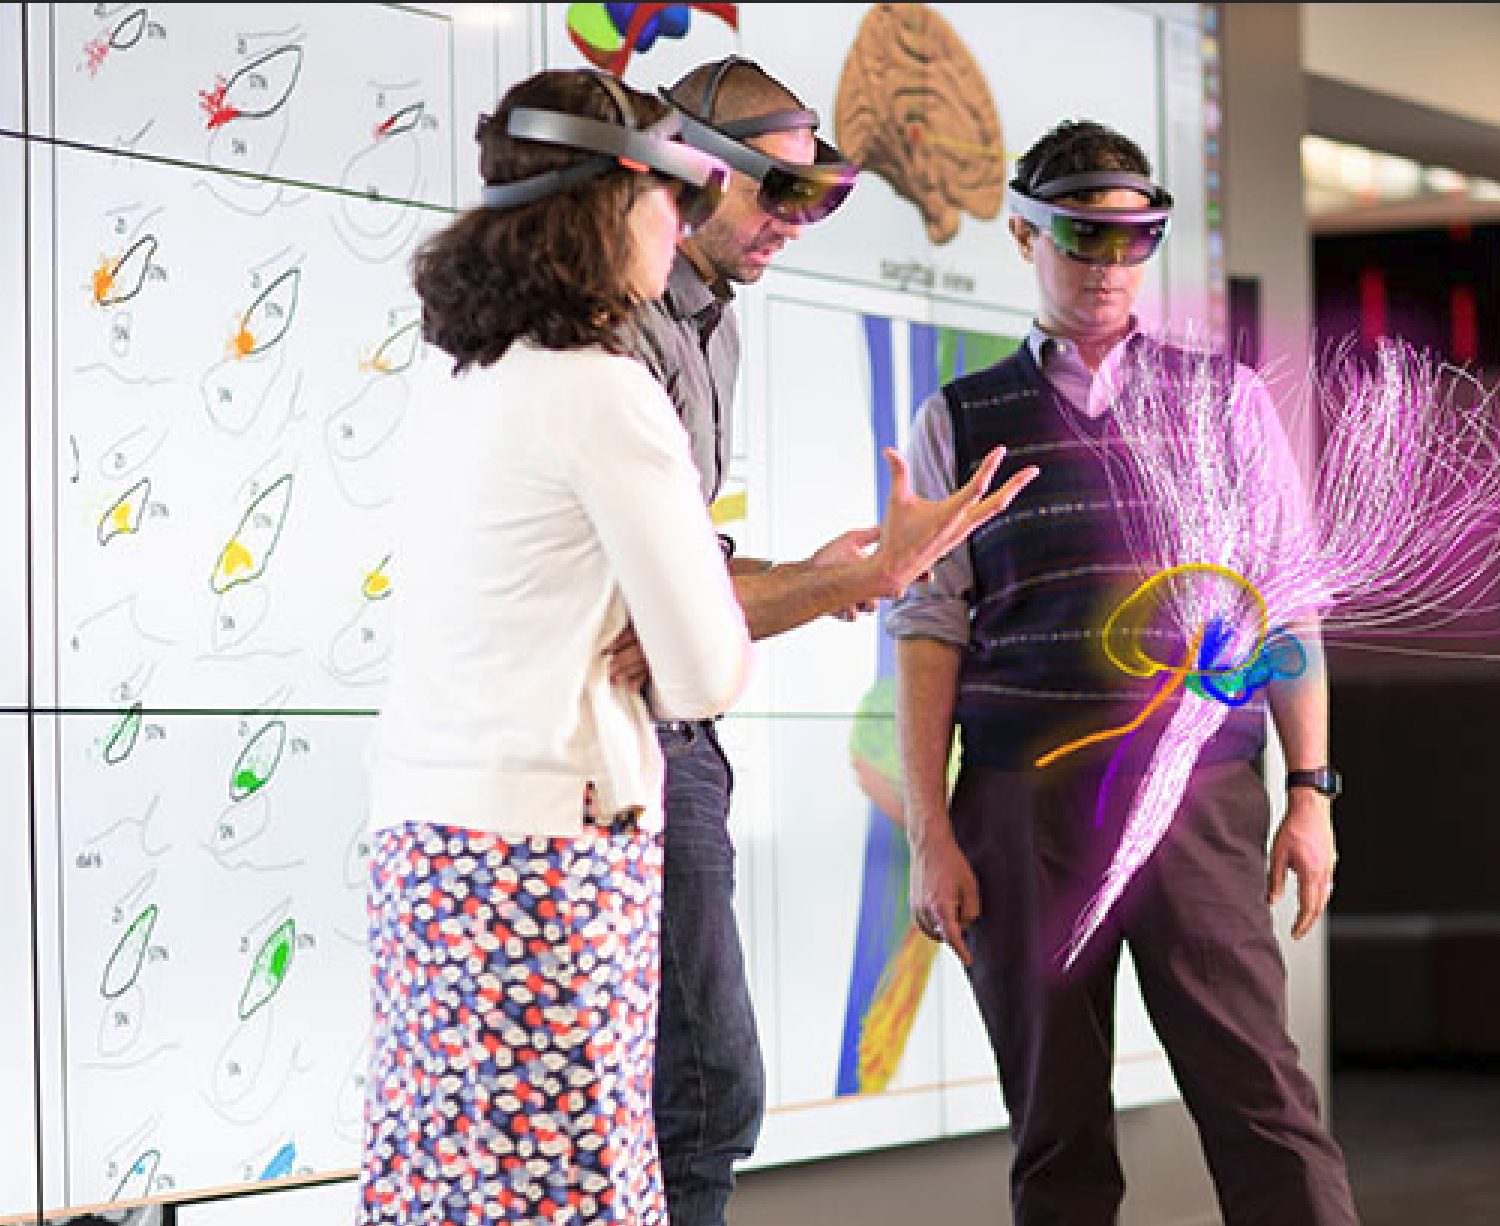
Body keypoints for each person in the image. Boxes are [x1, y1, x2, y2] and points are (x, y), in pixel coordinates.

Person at [883, 119, 1361, 1226]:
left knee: (1262, 1104)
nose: (1108, 265)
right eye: (1080, 238)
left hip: (1197, 799)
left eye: (1134, 240)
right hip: (1019, 810)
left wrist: (1310, 792)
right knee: (1055, 1134)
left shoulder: (1223, 403)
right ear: (1023, 236)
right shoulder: (960, 419)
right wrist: (928, 831)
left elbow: (1285, 606)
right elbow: (928, 627)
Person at [618, 56, 1036, 1226]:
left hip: (674, 735)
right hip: (623, 743)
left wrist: (820, 576)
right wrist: (855, 579)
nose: (795, 225)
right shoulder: (619, 333)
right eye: (781, 194)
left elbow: (690, 563)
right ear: (689, 173)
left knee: (687, 1093)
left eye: (821, 199)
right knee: (703, 1091)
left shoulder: (712, 326)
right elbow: (652, 599)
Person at [360, 69, 749, 1226]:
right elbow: (705, 671)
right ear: (611, 202)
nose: (680, 226)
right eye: (673, 196)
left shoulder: (456, 381)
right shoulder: (604, 394)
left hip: (424, 844)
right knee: (574, 1187)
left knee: (446, 1183)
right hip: (550, 853)